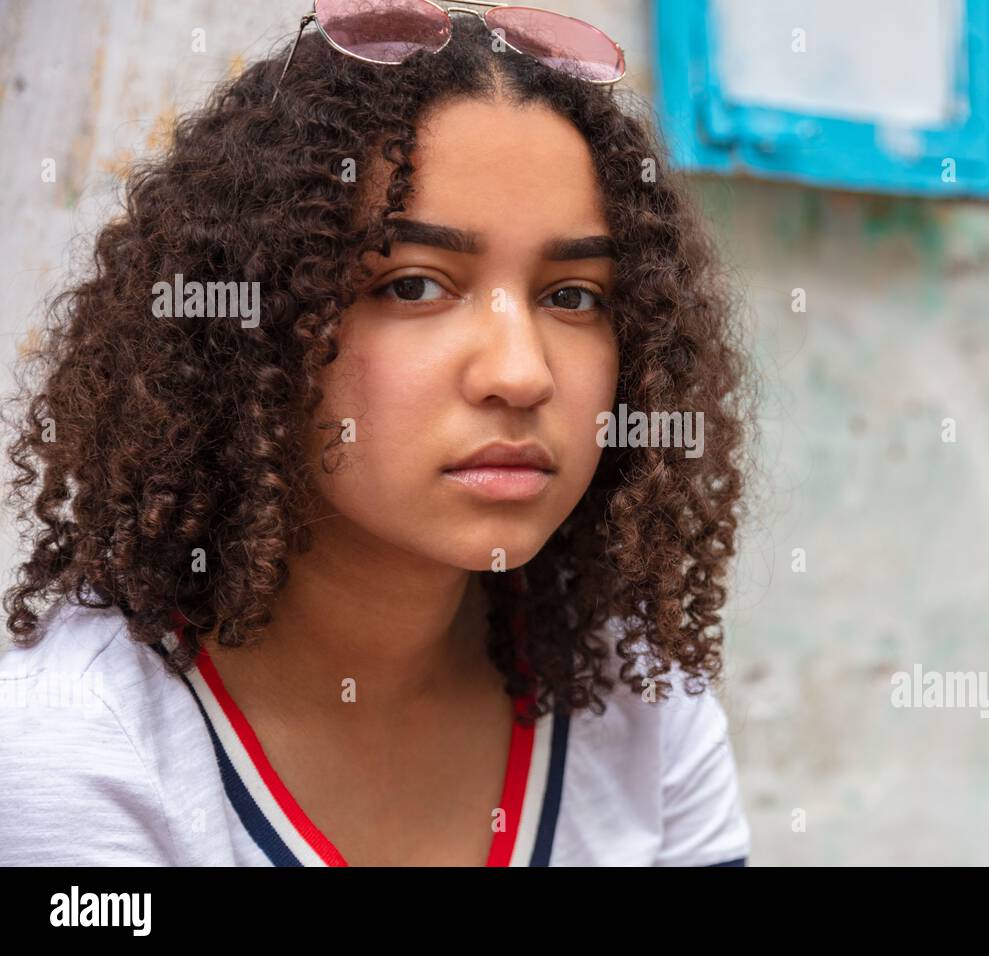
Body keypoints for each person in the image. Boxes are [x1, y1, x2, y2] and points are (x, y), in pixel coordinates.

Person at [0, 1, 756, 867]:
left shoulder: (641, 701)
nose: (521, 373)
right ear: (253, 328)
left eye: (574, 296)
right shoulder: (75, 748)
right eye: (414, 286)